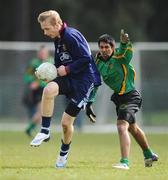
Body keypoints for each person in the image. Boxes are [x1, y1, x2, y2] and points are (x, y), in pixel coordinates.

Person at [30, 10, 101, 168]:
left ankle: (63, 155)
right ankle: (45, 130)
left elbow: (85, 58)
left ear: (57, 24)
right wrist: (45, 73)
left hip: (83, 82)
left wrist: (67, 70)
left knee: (65, 124)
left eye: (47, 28)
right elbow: (59, 62)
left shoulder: (70, 35)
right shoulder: (58, 37)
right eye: (43, 29)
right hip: (69, 78)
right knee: (48, 90)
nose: (44, 32)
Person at [94, 30, 158, 169]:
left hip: (130, 96)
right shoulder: (98, 60)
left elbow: (126, 52)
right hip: (119, 98)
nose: (104, 50)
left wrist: (124, 42)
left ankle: (125, 162)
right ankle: (149, 154)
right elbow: (95, 80)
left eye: (107, 47)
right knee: (133, 128)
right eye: (102, 47)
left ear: (112, 47)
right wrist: (89, 101)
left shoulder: (119, 56)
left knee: (121, 125)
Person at [23, 45, 51, 137]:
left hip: (49, 90)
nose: (43, 54)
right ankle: (43, 131)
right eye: (41, 52)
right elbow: (27, 76)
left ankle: (31, 128)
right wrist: (33, 82)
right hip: (39, 91)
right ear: (38, 53)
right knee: (42, 112)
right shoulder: (34, 63)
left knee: (43, 112)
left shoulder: (51, 62)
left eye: (44, 52)